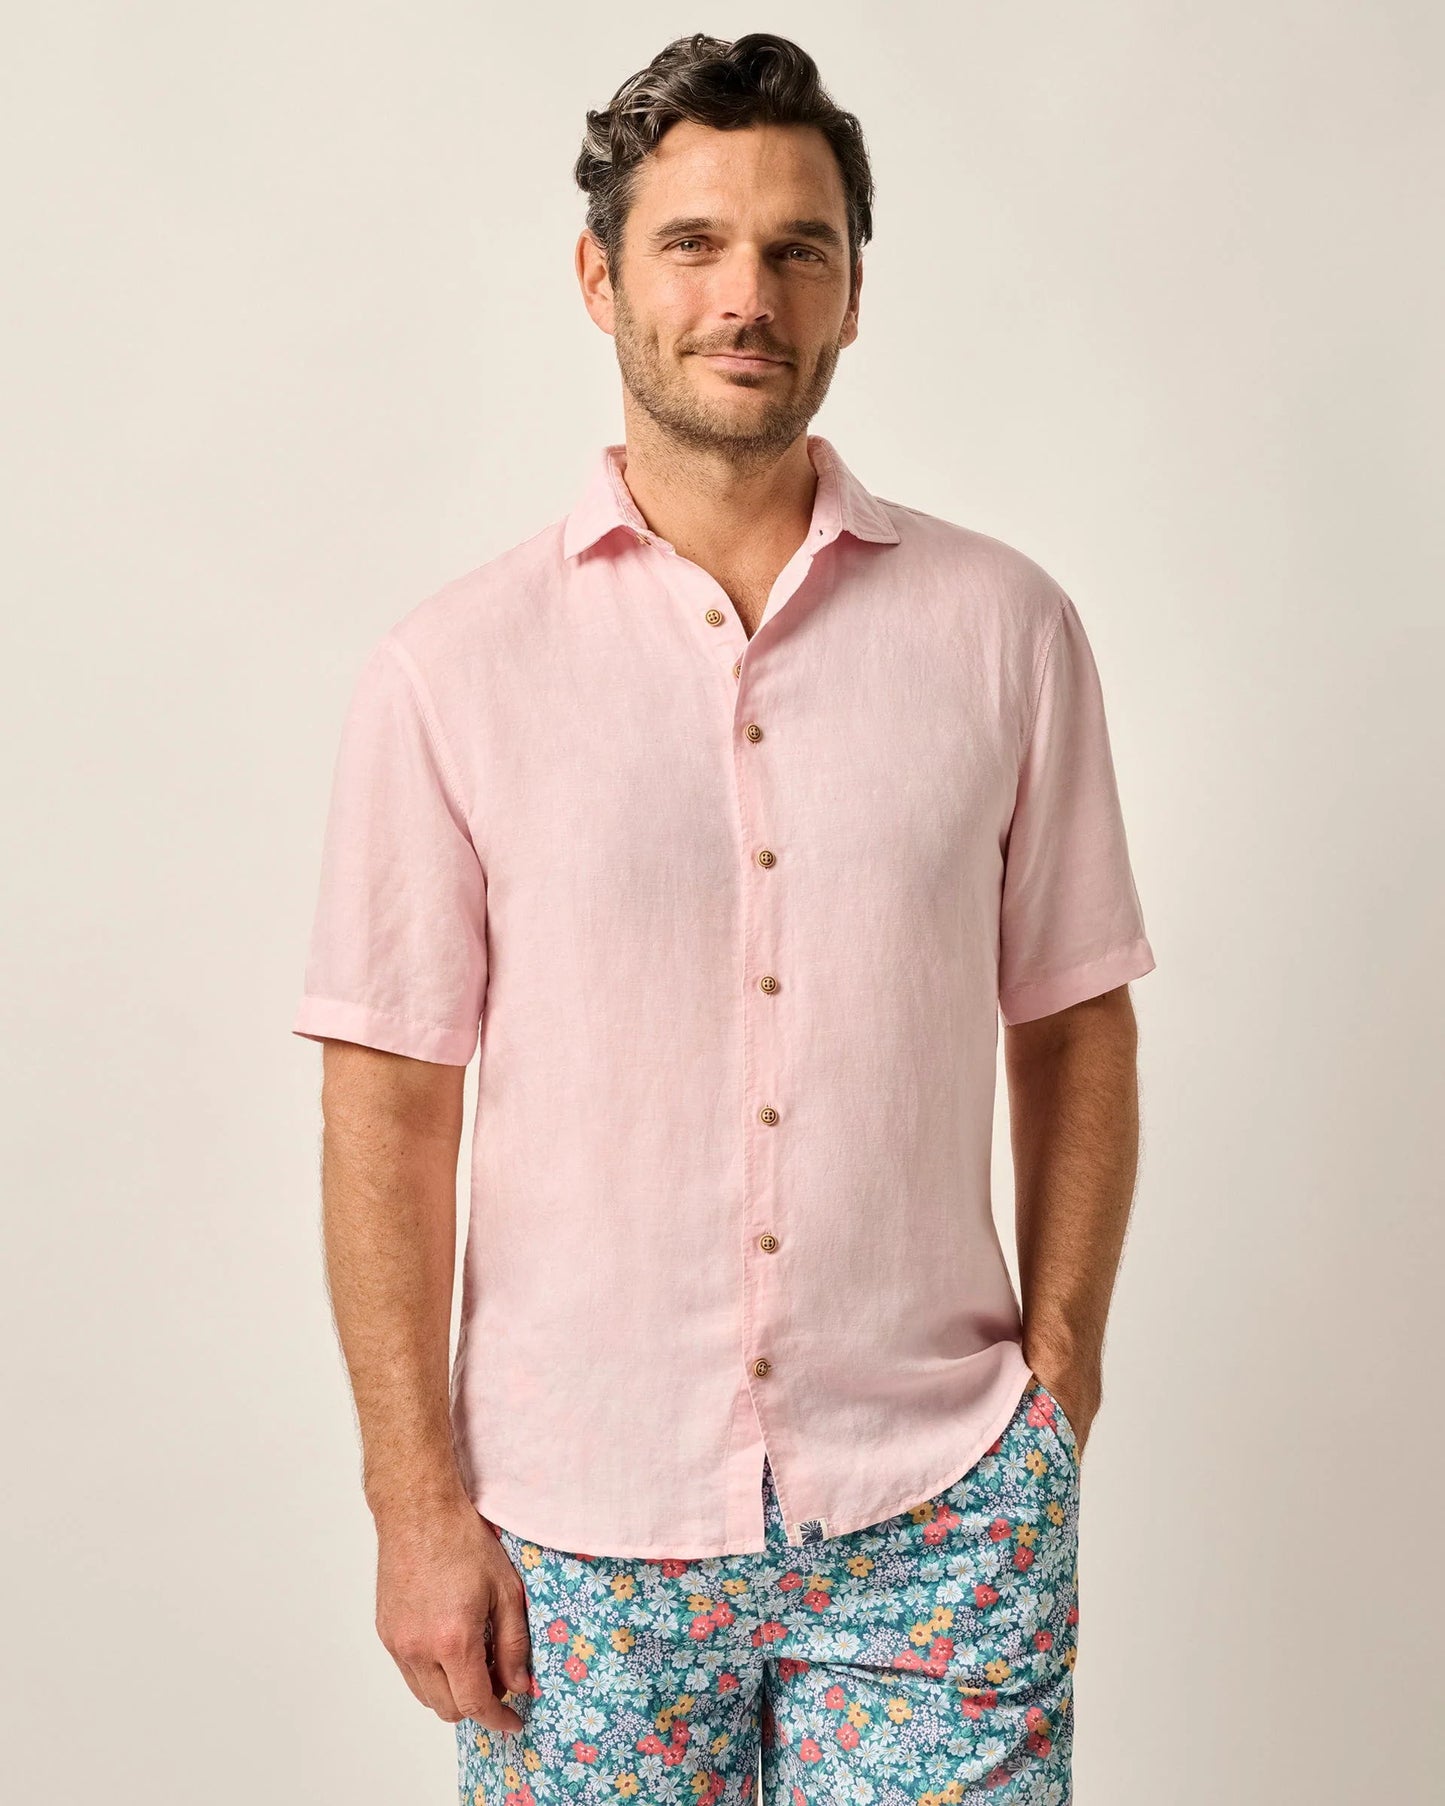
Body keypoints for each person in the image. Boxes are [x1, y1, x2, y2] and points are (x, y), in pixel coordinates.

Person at [291, 30, 1156, 1805]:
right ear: (599, 277)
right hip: (573, 1530)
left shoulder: (1006, 630)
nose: (745, 294)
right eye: (692, 243)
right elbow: (388, 1103)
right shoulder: (450, 671)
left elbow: (1074, 1017)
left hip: (940, 1511)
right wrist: (411, 1499)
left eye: (795, 248)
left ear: (851, 294)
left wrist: (1058, 1380)